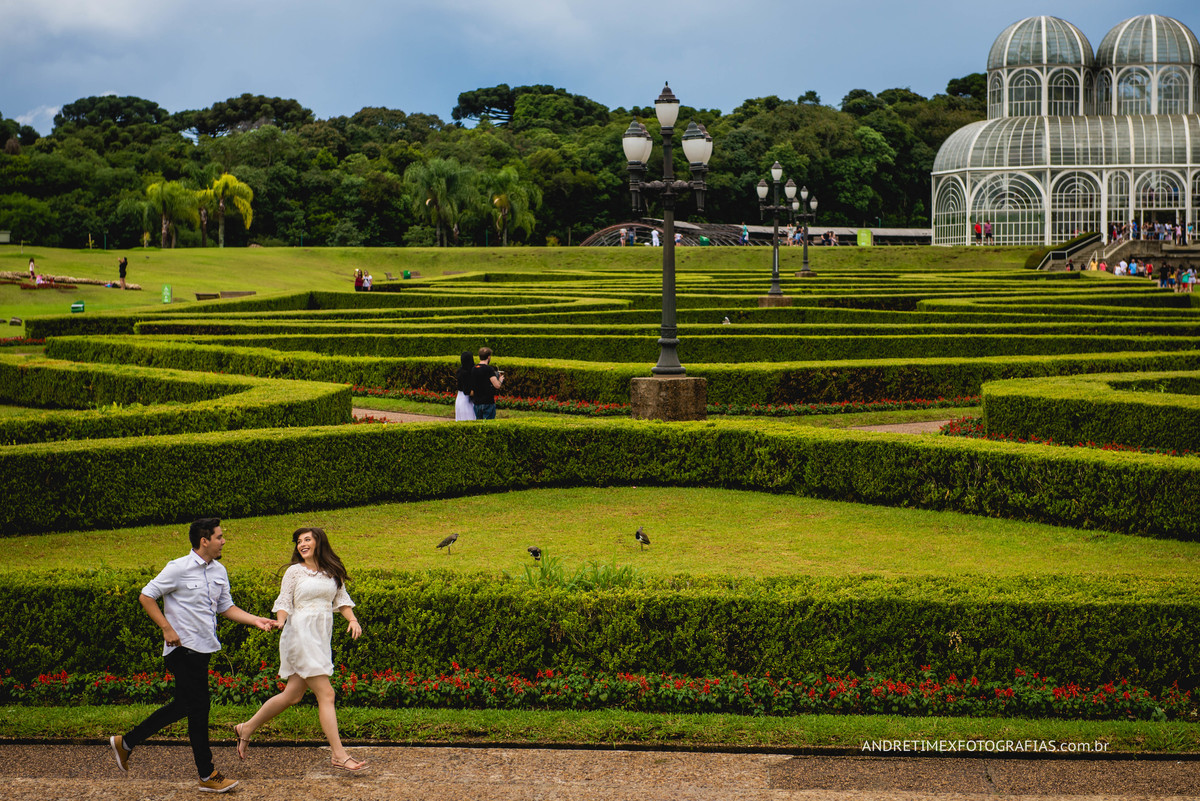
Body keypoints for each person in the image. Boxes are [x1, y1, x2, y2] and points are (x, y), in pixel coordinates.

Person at [109, 518, 276, 794]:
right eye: (219, 537)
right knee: (198, 709)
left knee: (186, 707)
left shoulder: (219, 571)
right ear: (204, 541)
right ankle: (207, 774)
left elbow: (226, 607)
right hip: (181, 650)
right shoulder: (178, 568)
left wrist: (255, 620)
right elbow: (146, 596)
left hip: (203, 650)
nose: (224, 541)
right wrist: (167, 628)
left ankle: (126, 742)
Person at [234, 528, 365, 772]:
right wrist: (281, 620)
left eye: (307, 539)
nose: (301, 544)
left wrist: (352, 620)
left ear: (319, 542)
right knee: (326, 694)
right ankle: (339, 755)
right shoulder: (294, 571)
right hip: (300, 633)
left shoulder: (333, 571)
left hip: (320, 636)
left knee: (293, 695)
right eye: (298, 541)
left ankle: (247, 727)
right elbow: (284, 600)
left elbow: (342, 599)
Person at [471, 346, 504, 421]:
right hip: (488, 402)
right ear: (488, 357)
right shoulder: (489, 369)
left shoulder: (474, 368)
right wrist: (500, 380)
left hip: (477, 402)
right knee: (488, 426)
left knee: (479, 425)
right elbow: (497, 385)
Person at [455, 351, 476, 421]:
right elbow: (467, 391)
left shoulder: (460, 371)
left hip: (459, 398)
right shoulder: (467, 373)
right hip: (466, 401)